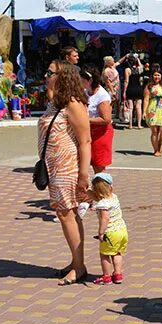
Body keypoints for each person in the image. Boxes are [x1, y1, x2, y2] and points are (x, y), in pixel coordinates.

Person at [38, 60, 92, 285]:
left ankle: (79, 267)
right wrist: (52, 86)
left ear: (63, 77)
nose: (46, 75)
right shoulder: (57, 103)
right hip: (54, 166)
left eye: (50, 73)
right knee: (66, 214)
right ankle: (75, 261)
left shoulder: (73, 103)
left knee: (66, 214)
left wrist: (83, 174)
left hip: (66, 167)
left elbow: (85, 140)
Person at [88, 173, 128, 286]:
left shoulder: (102, 204)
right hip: (122, 230)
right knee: (117, 253)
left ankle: (106, 276)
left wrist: (101, 232)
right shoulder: (114, 197)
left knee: (104, 254)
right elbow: (101, 201)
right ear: (111, 187)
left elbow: (105, 219)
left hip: (110, 233)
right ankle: (118, 275)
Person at [83, 66, 114, 173]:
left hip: (101, 134)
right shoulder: (85, 91)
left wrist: (85, 120)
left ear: (90, 80)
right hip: (88, 132)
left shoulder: (102, 95)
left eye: (82, 79)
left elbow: (106, 119)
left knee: (98, 165)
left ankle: (104, 189)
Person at [144, 70, 162, 156]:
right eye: (155, 75)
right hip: (152, 110)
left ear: (161, 76)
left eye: (158, 75)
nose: (157, 77)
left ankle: (160, 142)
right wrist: (144, 112)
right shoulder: (149, 87)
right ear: (152, 76)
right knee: (154, 131)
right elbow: (146, 100)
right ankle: (156, 150)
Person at [123, 55, 145, 129]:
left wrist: (124, 91)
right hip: (138, 88)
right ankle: (139, 124)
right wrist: (138, 58)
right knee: (138, 107)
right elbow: (141, 65)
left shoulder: (127, 70)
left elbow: (126, 81)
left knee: (131, 108)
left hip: (130, 88)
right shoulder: (139, 69)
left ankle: (130, 125)